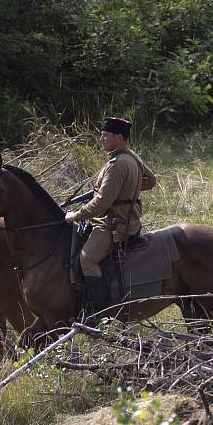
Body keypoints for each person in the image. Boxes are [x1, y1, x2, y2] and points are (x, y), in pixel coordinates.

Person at [64, 117, 156, 316]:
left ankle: (96, 313)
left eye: (106, 135)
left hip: (114, 224)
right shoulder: (131, 157)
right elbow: (151, 180)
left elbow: (102, 203)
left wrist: (76, 216)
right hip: (123, 219)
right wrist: (126, 188)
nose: (101, 138)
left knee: (87, 258)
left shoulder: (117, 164)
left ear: (119, 138)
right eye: (102, 134)